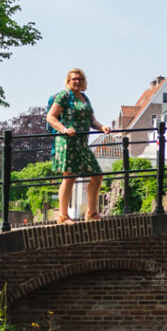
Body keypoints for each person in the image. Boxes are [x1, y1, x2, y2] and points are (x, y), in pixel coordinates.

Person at [46, 68, 111, 223]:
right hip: (67, 143)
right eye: (74, 79)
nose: (77, 81)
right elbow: (51, 117)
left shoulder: (84, 98)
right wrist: (64, 129)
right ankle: (62, 216)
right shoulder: (64, 96)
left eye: (80, 79)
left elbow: (91, 120)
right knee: (69, 177)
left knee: (97, 175)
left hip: (82, 143)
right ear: (68, 81)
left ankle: (91, 212)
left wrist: (101, 127)